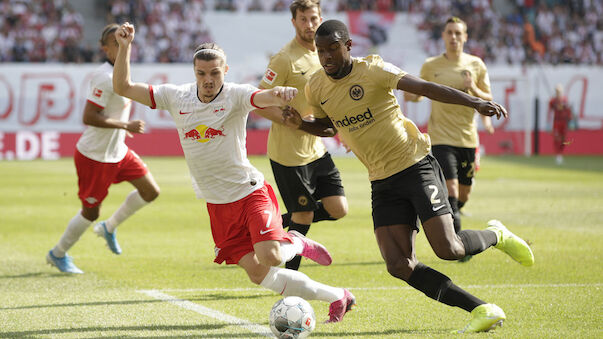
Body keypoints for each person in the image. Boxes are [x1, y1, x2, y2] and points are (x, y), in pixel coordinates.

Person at [283, 19, 534, 333]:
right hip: (380, 180)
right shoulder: (316, 86)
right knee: (399, 265)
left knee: (450, 249)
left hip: (415, 165)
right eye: (320, 51)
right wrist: (301, 124)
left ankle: (496, 234)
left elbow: (426, 88)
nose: (326, 57)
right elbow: (329, 126)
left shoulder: (374, 70)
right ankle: (481, 309)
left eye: (333, 49)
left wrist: (474, 101)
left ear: (348, 46)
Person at [111, 22, 356, 323]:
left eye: (214, 73)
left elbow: (261, 97)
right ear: (195, 72)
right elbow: (122, 87)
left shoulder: (235, 95)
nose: (208, 80)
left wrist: (279, 93)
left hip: (249, 192)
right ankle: (338, 296)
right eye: (202, 73)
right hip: (217, 204)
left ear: (225, 71)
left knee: (271, 256)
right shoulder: (176, 97)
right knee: (260, 275)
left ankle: (297, 241)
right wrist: (124, 48)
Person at [46, 24, 160, 274]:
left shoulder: (122, 72)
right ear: (104, 48)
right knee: (90, 212)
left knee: (150, 191)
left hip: (118, 151)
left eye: (124, 41)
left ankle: (109, 227)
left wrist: (122, 128)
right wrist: (124, 124)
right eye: (115, 43)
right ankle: (58, 253)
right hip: (94, 156)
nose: (121, 46)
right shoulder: (103, 76)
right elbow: (88, 116)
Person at [254, 0, 348, 271]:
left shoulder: (325, 54)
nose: (310, 25)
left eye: (314, 18)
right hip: (289, 155)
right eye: (304, 19)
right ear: (294, 22)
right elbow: (260, 101)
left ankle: (279, 224)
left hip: (316, 148)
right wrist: (288, 119)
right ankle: (290, 278)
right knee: (305, 215)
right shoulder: (285, 58)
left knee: (338, 208)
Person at [404, 17, 495, 235]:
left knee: (464, 193)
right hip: (441, 137)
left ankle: (453, 212)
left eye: (457, 33)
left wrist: (473, 87)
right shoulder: (431, 65)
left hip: (467, 138)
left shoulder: (476, 65)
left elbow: (488, 98)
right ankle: (458, 239)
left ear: (465, 37)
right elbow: (418, 93)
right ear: (443, 36)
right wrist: (411, 94)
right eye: (449, 32)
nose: (453, 37)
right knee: (451, 187)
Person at [548, 84, 572, 165]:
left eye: (559, 91)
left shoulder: (565, 100)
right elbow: (551, 107)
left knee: (564, 140)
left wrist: (570, 119)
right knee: (557, 139)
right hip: (557, 122)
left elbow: (568, 110)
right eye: (557, 91)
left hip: (564, 122)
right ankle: (558, 155)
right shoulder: (553, 101)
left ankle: (560, 153)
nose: (558, 93)